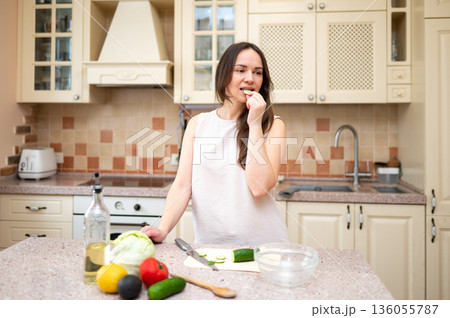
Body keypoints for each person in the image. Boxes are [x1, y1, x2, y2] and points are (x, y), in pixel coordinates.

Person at [141, 42, 289, 245]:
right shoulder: (198, 124)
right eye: (240, 70)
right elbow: (183, 186)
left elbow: (259, 188)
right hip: (210, 246)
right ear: (224, 75)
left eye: (257, 72)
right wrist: (163, 229)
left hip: (263, 247)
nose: (250, 78)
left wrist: (254, 124)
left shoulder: (273, 125)